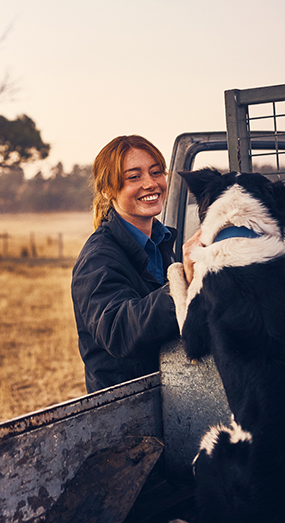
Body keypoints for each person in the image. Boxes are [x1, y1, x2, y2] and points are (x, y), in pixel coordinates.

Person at [71, 135, 180, 393]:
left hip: (168, 394)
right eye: (134, 177)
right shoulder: (97, 258)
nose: (151, 183)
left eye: (156, 172)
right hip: (126, 409)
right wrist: (183, 284)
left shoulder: (162, 241)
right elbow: (119, 331)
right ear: (108, 190)